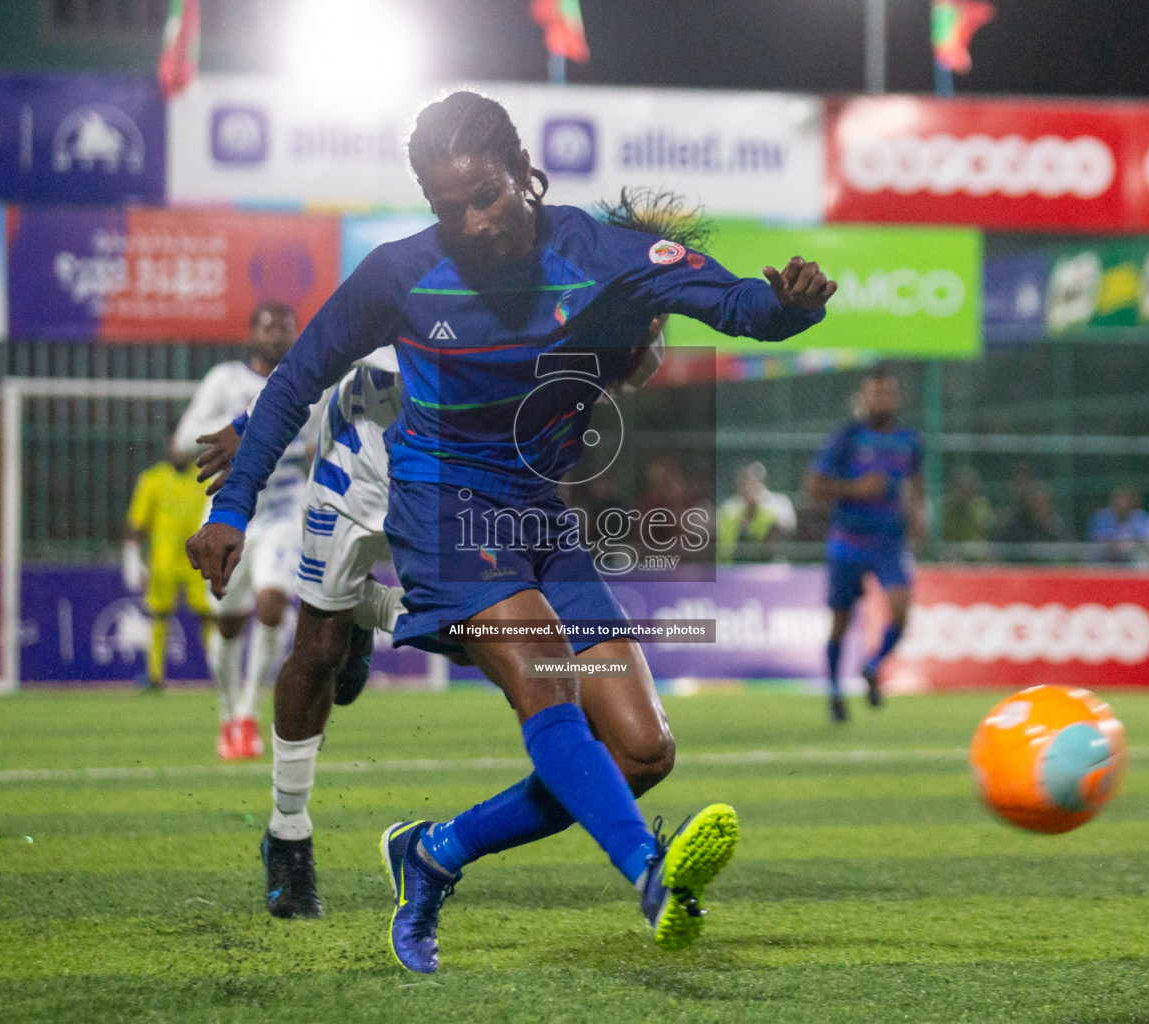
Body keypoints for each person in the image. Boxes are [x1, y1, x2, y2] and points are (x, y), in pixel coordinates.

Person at [186, 91, 834, 972]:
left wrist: (791, 306)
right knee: (543, 685)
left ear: (527, 176)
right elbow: (296, 378)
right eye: (446, 206)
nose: (470, 222)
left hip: (540, 514)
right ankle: (650, 877)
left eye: (485, 195)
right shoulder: (399, 274)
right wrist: (230, 510)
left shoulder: (605, 258)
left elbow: (740, 307)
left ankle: (434, 851)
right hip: (443, 500)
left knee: (642, 751)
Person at [192, 191, 688, 923]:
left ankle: (436, 831)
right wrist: (249, 424)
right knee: (321, 646)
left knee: (508, 654)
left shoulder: (604, 316)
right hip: (368, 459)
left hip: (485, 492)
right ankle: (288, 833)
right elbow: (340, 348)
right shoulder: (483, 285)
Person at [174, 302, 323, 760]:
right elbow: (181, 442)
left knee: (273, 604)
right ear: (251, 333)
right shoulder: (226, 380)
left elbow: (316, 447)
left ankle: (247, 715)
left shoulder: (306, 385)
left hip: (282, 512)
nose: (278, 336)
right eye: (268, 327)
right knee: (229, 622)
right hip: (231, 514)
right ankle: (225, 712)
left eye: (286, 329)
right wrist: (238, 425)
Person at [802, 364, 924, 723]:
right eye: (874, 393)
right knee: (840, 621)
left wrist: (917, 513)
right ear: (863, 398)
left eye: (887, 392)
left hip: (889, 541)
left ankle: (872, 665)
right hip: (847, 542)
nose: (880, 399)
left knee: (901, 612)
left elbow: (916, 481)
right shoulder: (847, 438)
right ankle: (836, 693)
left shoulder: (910, 441)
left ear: (896, 398)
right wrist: (856, 489)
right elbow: (814, 486)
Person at [123, 438, 214, 692]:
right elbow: (137, 522)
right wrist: (131, 555)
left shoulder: (205, 479)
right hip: (163, 561)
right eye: (174, 444)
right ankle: (155, 677)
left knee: (208, 615)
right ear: (167, 448)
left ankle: (219, 673)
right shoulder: (152, 479)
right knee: (159, 615)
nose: (178, 451)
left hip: (200, 561)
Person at [717, 461, 796, 563]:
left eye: (758, 482)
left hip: (766, 566)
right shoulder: (729, 509)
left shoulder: (777, 504)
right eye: (748, 483)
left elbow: (789, 526)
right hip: (731, 567)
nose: (752, 487)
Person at [1087, 488, 1149, 564]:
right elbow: (1098, 538)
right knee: (1093, 553)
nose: (1122, 504)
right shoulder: (1102, 516)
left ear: (1132, 502)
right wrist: (1116, 546)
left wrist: (1128, 545)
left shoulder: (1141, 517)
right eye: (1119, 500)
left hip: (1132, 554)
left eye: (1126, 500)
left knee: (1142, 556)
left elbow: (1146, 539)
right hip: (1107, 553)